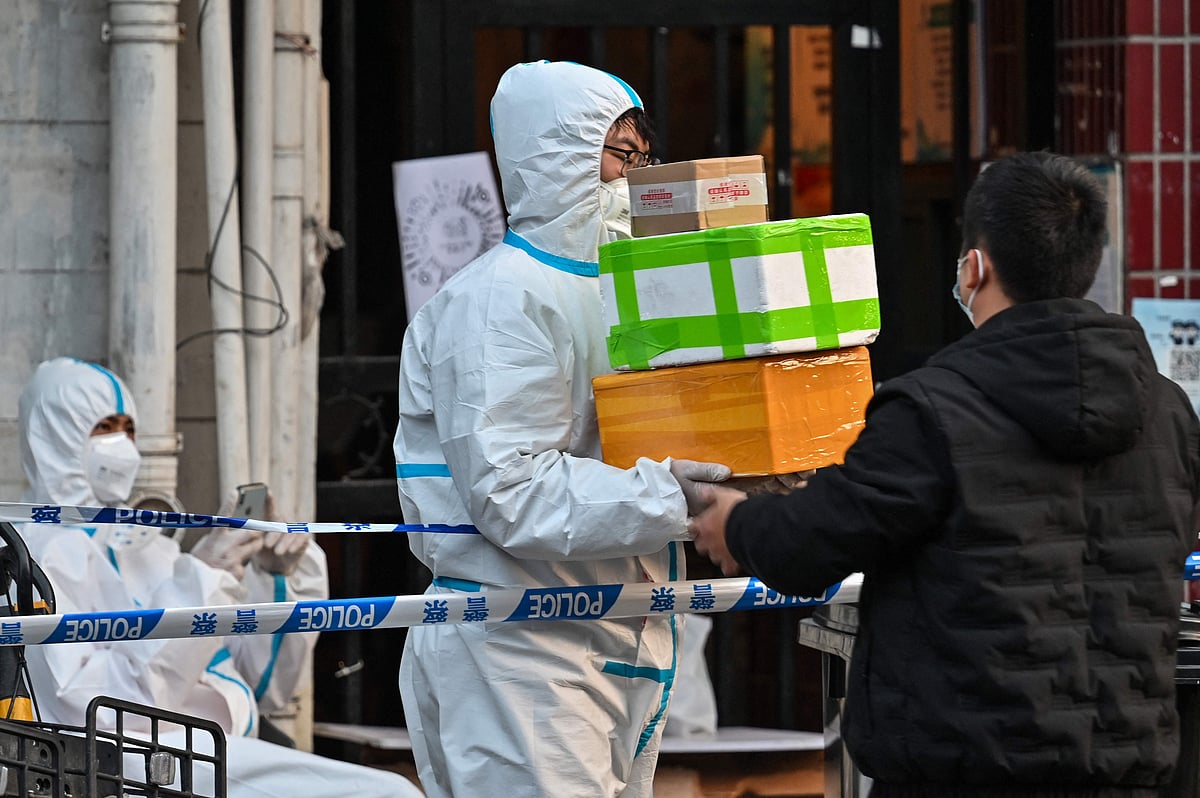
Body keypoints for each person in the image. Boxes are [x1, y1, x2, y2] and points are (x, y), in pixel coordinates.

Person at [690, 151, 1200, 796]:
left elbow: (817, 539)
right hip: (1128, 765)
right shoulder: (1167, 409)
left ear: (975, 266)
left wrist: (738, 521)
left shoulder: (932, 408)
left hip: (964, 765)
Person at [393, 60, 730, 798]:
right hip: (519, 650)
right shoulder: (498, 303)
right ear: (556, 154)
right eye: (620, 155)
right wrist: (676, 500)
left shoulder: (626, 292)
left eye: (644, 158)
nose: (636, 178)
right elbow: (512, 491)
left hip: (613, 631)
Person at [17, 356, 422, 797]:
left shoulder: (146, 545)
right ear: (56, 437)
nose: (123, 445)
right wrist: (203, 577)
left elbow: (261, 684)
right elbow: (92, 710)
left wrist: (277, 578)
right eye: (104, 428)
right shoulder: (37, 556)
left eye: (128, 429)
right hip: (146, 764)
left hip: (217, 748)